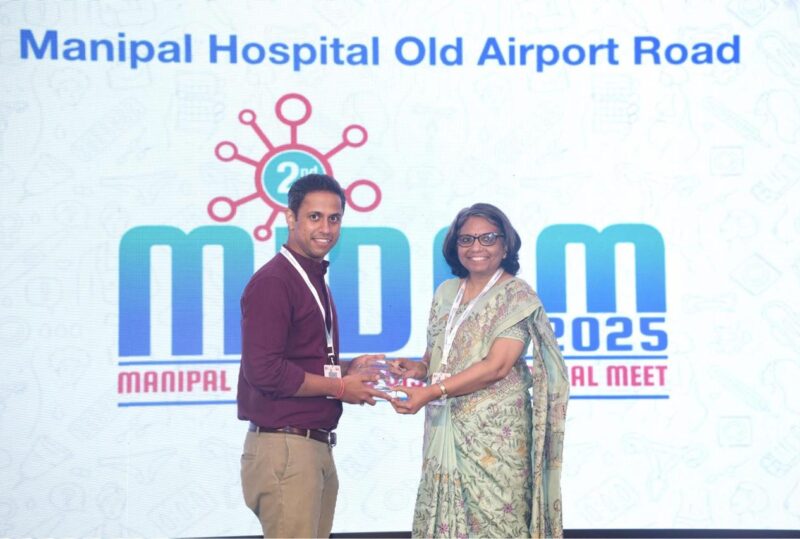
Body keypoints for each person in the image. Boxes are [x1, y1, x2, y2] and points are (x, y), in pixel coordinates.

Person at [389, 203, 569, 538]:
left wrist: (431, 392)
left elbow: (497, 366)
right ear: (455, 246)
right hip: (445, 425)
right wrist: (419, 368)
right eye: (466, 239)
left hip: (494, 436)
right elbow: (438, 356)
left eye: (488, 238)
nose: (476, 247)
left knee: (498, 522)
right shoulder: (446, 292)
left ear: (505, 245)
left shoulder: (516, 295)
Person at [237, 173, 388, 538]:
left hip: (308, 447)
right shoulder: (275, 281)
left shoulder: (311, 275)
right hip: (287, 448)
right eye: (315, 217)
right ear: (290, 218)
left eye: (334, 218)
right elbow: (265, 371)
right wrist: (340, 387)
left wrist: (347, 368)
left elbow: (297, 358)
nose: (326, 228)